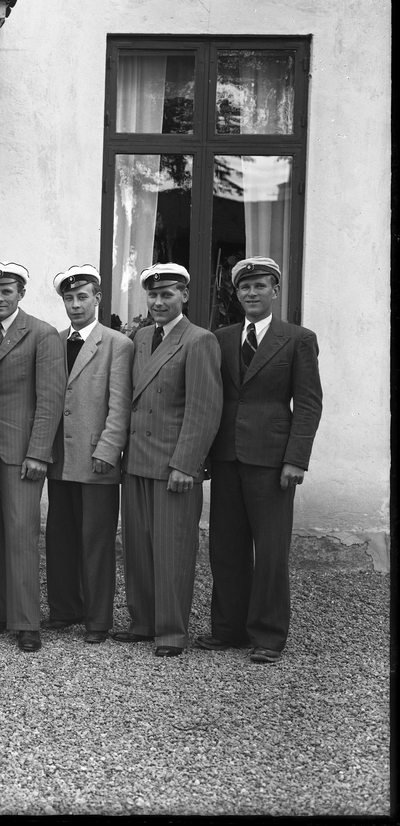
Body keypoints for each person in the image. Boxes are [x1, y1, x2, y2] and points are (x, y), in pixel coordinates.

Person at [200, 256, 322, 664]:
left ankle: (268, 636)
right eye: (244, 287)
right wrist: (205, 453)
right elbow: (211, 398)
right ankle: (228, 629)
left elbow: (308, 404)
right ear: (237, 294)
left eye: (260, 286)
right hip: (226, 456)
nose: (251, 293)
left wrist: (296, 460)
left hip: (272, 461)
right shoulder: (220, 338)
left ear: (275, 291)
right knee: (225, 547)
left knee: (270, 551)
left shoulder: (297, 339)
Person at [115, 263, 221, 658]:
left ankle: (172, 631)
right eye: (153, 295)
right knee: (138, 548)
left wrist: (186, 464)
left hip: (173, 464)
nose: (158, 302)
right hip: (137, 460)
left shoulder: (199, 340)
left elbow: (204, 409)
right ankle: (143, 622)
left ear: (184, 296)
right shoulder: (142, 337)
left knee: (172, 550)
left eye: (167, 294)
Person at [0, 262, 65, 653]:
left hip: (23, 451)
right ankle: (1, 611)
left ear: (21, 293)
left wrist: (39, 453)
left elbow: (50, 399)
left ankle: (27, 622)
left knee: (22, 533)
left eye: (6, 291)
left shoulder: (42, 334)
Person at [43, 265, 133, 644]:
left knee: (96, 542)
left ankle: (98, 620)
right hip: (60, 456)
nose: (76, 305)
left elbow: (120, 403)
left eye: (83, 297)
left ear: (97, 299)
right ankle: (65, 609)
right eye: (69, 298)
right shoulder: (53, 342)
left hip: (96, 457)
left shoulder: (116, 344)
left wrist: (108, 449)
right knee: (60, 538)